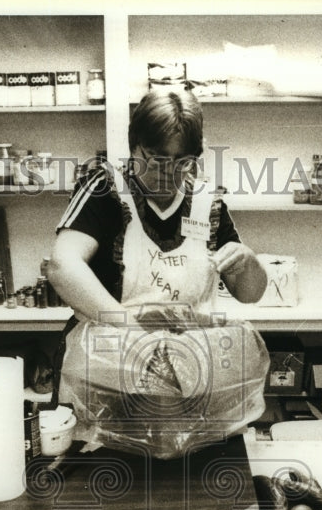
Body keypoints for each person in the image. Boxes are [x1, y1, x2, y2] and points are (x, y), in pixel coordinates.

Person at [47, 88, 268, 401]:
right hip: (106, 366)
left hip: (182, 369)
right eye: (157, 159)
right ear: (134, 146)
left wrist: (248, 261)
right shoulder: (105, 188)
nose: (168, 173)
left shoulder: (206, 203)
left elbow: (250, 293)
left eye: (182, 162)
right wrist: (134, 333)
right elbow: (62, 266)